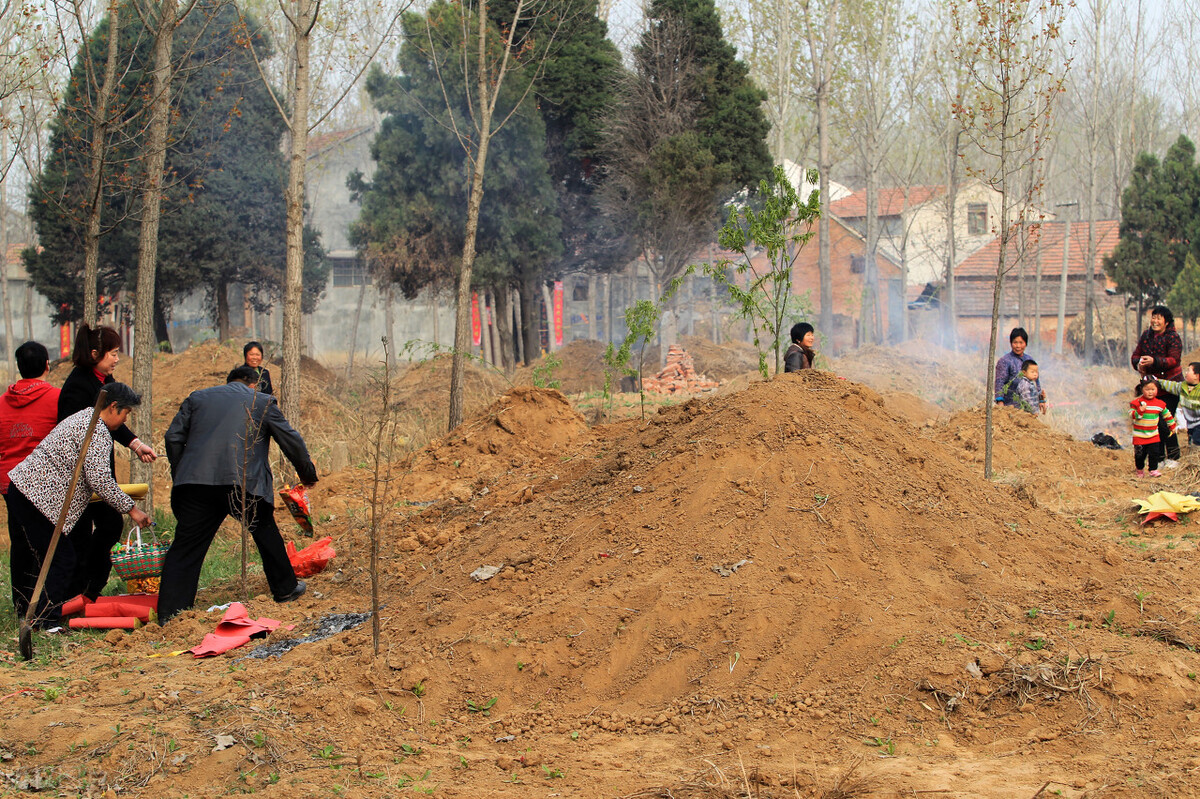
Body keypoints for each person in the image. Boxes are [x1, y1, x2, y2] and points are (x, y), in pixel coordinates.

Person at [157, 366, 317, 623]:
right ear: (253, 385)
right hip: (244, 482)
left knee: (186, 546)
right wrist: (307, 473)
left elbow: (173, 437)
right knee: (265, 531)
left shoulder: (197, 398)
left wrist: (183, 474)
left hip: (196, 484)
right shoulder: (261, 401)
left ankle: (170, 614)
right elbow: (291, 440)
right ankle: (285, 590)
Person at [6, 383, 152, 627]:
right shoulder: (96, 432)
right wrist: (132, 510)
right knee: (62, 558)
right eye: (126, 413)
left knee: (55, 557)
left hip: (26, 493)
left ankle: (42, 615)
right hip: (34, 497)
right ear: (114, 407)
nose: (125, 419)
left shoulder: (86, 418)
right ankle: (46, 621)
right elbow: (100, 480)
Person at [58, 324, 157, 600]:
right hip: (80, 478)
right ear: (94, 354)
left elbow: (113, 421)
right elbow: (83, 429)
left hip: (96, 476)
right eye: (113, 353)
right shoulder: (78, 386)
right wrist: (133, 509)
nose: (116, 358)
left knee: (110, 525)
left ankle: (90, 588)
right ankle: (74, 594)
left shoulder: (101, 382)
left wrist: (135, 443)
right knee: (80, 535)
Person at [0, 342, 61, 618]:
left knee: (20, 541)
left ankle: (22, 605)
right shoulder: (58, 399)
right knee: (48, 543)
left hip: (10, 483)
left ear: (18, 368)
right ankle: (47, 605)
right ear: (47, 365)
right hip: (44, 483)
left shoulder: (2, 402)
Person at [1131, 305, 1184, 465]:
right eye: (1153, 317)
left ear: (1166, 322)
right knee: (1153, 421)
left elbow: (1174, 359)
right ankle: (1159, 458)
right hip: (1150, 387)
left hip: (1169, 386)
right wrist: (1138, 362)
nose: (1154, 321)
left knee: (1165, 421)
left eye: (1158, 318)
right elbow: (1135, 355)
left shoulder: (1173, 337)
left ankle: (1173, 457)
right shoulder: (1146, 335)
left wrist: (1154, 361)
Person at [1130, 378, 1176, 478]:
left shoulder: (1160, 404)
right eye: (1147, 389)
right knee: (1140, 455)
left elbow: (1167, 415)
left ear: (1157, 390)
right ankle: (1140, 470)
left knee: (1155, 453)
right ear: (1142, 389)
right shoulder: (1137, 403)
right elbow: (1132, 415)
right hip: (1140, 436)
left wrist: (1172, 426)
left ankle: (1153, 469)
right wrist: (1140, 411)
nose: (1150, 392)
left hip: (1153, 435)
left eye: (1153, 389)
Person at [994, 327, 1047, 412]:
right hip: (1011, 407)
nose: (1018, 346)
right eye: (1015, 342)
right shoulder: (1005, 361)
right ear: (1011, 343)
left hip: (1029, 407)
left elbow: (1036, 381)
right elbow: (999, 382)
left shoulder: (1030, 360)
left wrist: (1041, 400)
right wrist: (1000, 402)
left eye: (1021, 342)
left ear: (1026, 343)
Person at [1159, 362, 1200, 448]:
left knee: (1196, 443)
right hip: (1190, 424)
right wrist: (1156, 381)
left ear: (1197, 376)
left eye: (1188, 371)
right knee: (1191, 442)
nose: (1186, 373)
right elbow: (1171, 385)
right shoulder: (1182, 387)